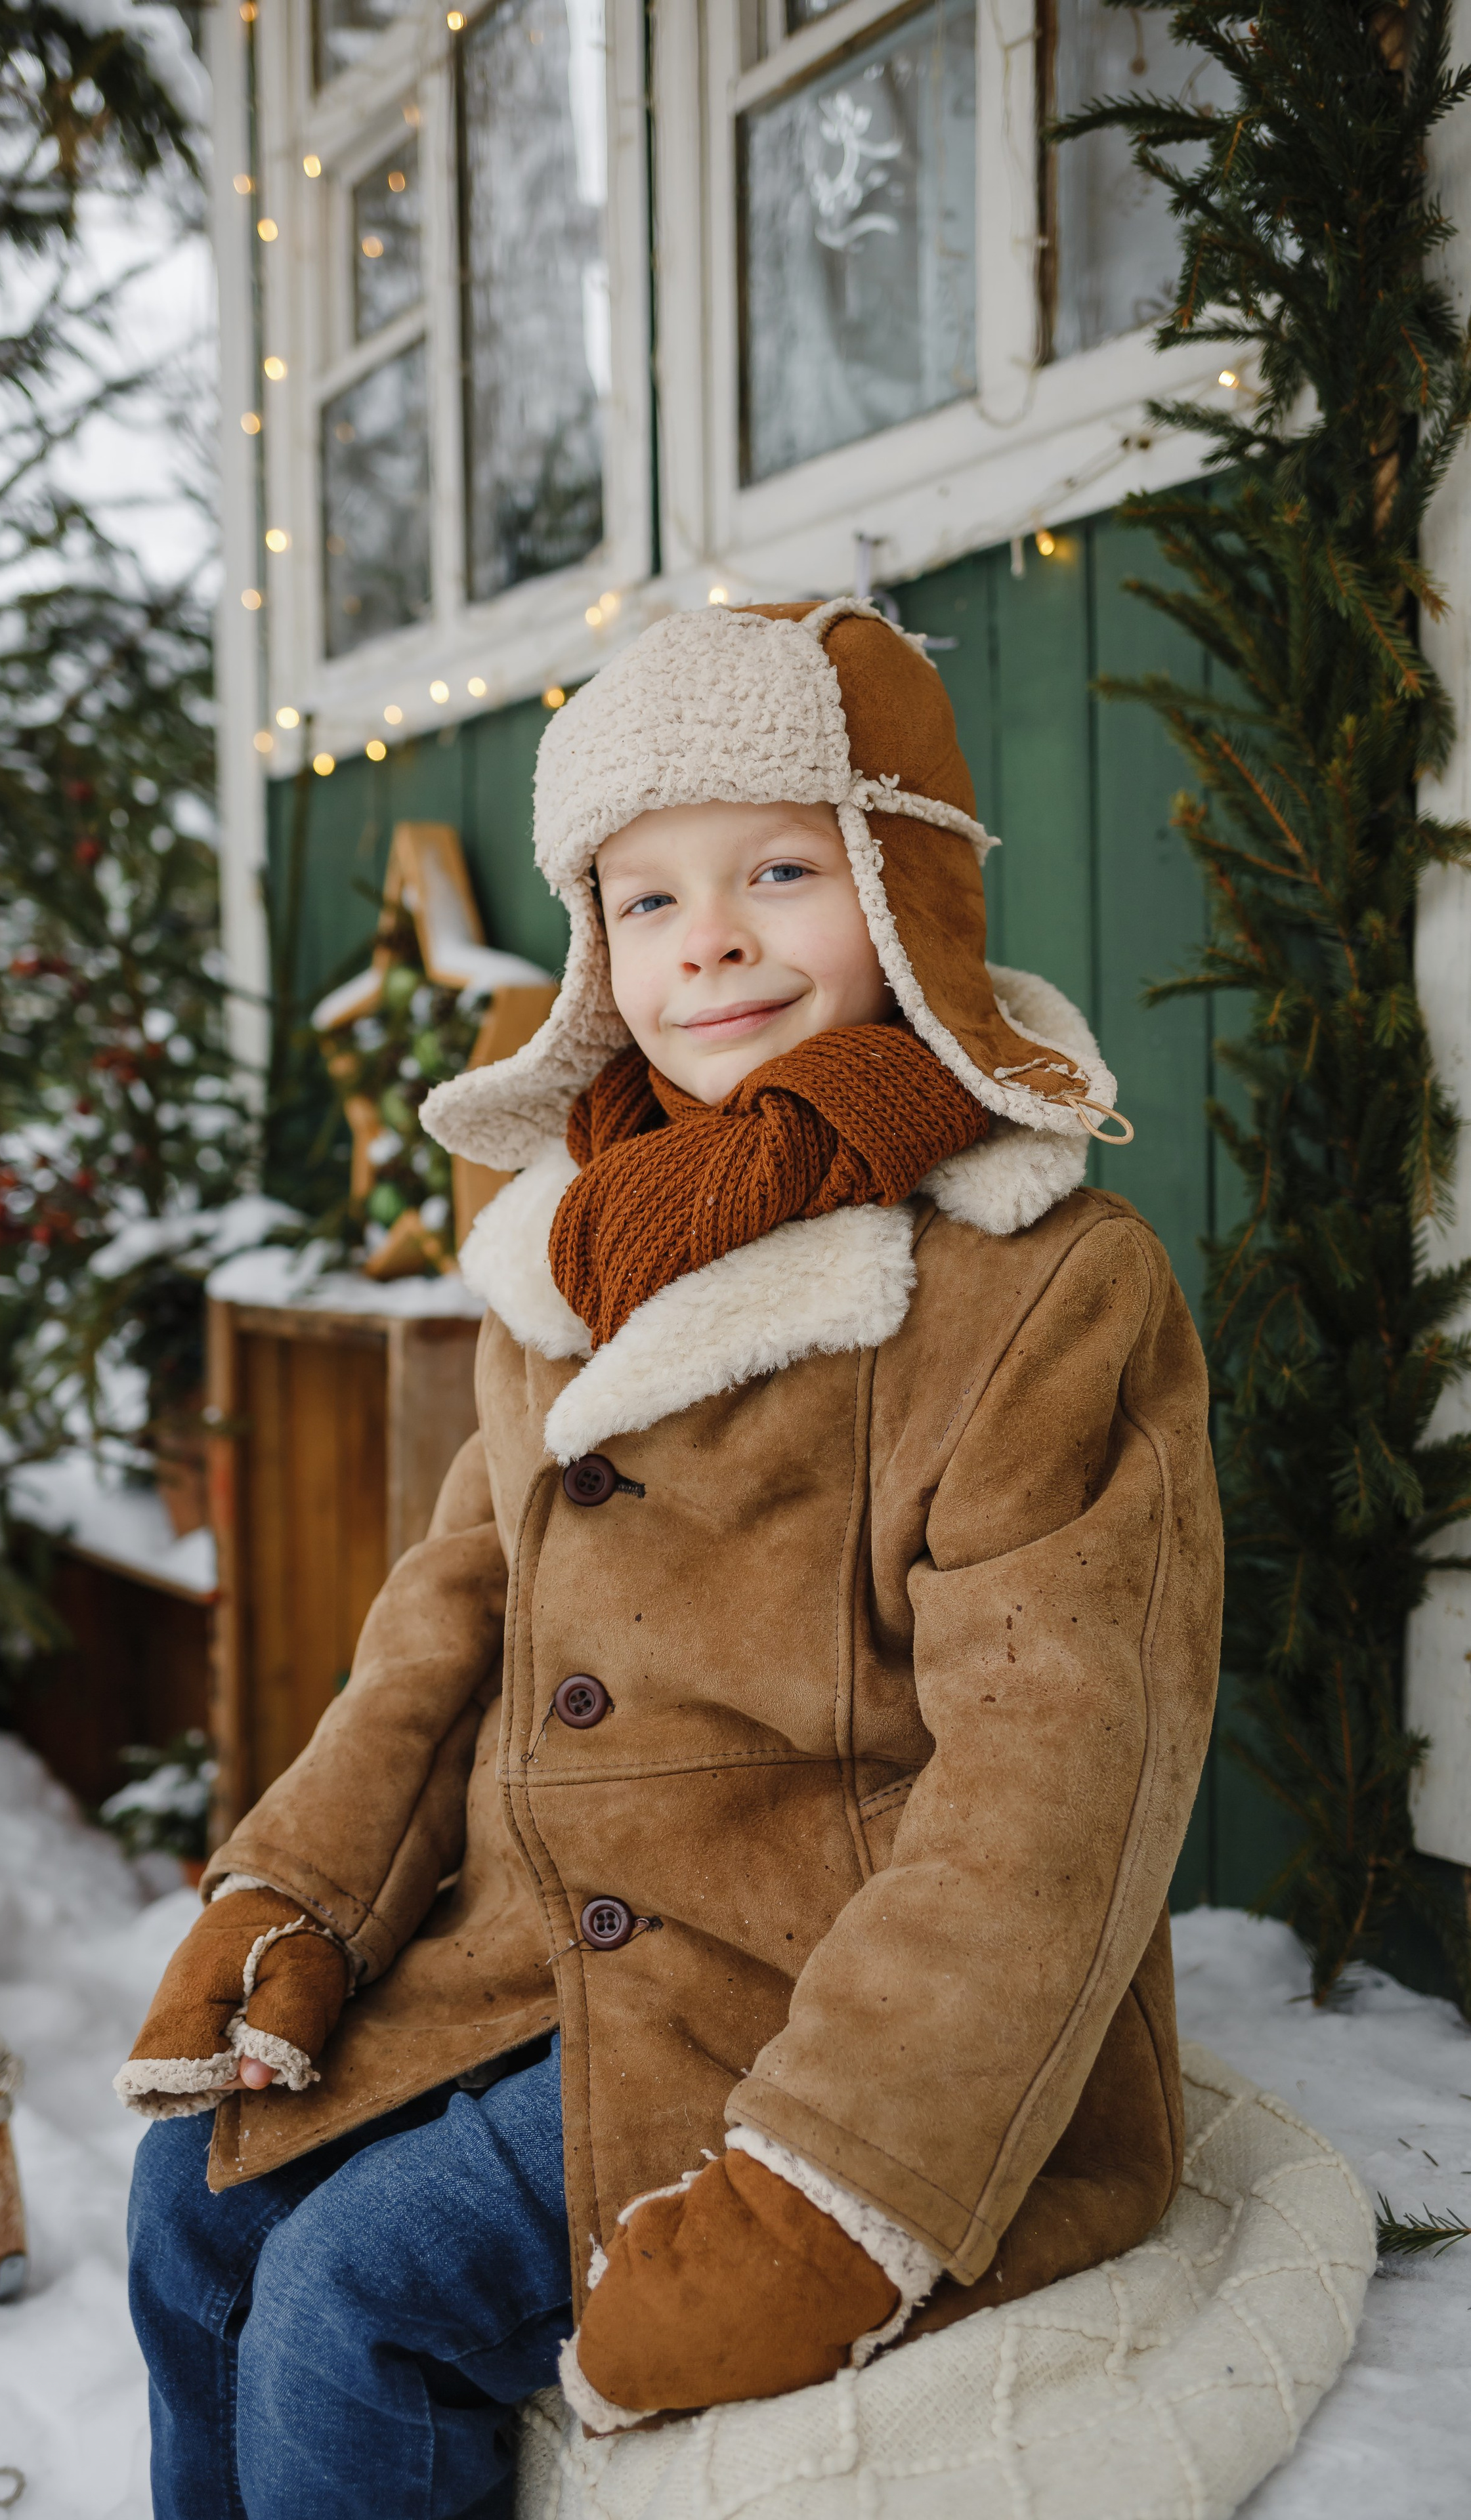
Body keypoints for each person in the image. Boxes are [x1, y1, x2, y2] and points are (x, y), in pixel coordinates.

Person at [120, 598, 1222, 2520]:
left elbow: (1059, 1785)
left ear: (902, 889)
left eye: (780, 869)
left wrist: (842, 2180)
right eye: (646, 899)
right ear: (596, 950)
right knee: (190, 2201)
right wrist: (299, 1885)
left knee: (352, 2297)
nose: (707, 939)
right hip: (546, 1949)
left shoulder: (1045, 1289)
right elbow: (445, 1624)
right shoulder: (564, 1271)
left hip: (817, 1992)